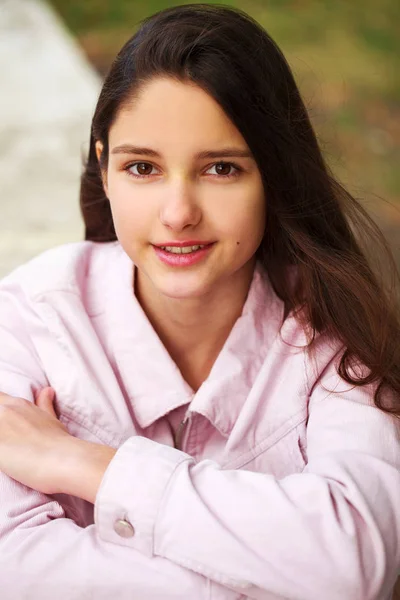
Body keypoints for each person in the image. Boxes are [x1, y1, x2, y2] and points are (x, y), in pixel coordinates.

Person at [0, 3, 399, 599]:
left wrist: (85, 465)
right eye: (143, 167)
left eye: (219, 168)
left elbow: (354, 563)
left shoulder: (340, 335)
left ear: (274, 174)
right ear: (105, 170)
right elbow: (15, 563)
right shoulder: (30, 318)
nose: (179, 213)